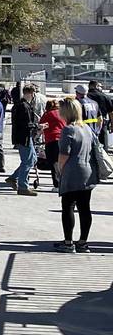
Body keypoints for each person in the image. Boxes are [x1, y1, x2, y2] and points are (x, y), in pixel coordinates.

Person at [53, 97, 99, 253]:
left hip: (72, 172)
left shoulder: (68, 130)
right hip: (88, 172)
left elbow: (64, 155)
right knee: (85, 208)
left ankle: (68, 242)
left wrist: (59, 170)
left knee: (68, 207)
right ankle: (83, 242)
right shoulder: (87, 128)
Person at [8, 84, 43, 196]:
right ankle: (23, 186)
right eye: (33, 93)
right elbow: (25, 124)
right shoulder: (23, 106)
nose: (34, 96)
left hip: (26, 137)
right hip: (24, 138)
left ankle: (14, 178)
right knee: (27, 161)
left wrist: (37, 126)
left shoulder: (23, 105)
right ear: (30, 93)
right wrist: (38, 126)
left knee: (32, 159)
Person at [38, 99, 66, 190]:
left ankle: (57, 184)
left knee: (54, 163)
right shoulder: (63, 113)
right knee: (63, 162)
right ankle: (65, 183)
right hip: (63, 140)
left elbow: (40, 126)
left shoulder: (47, 114)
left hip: (51, 140)